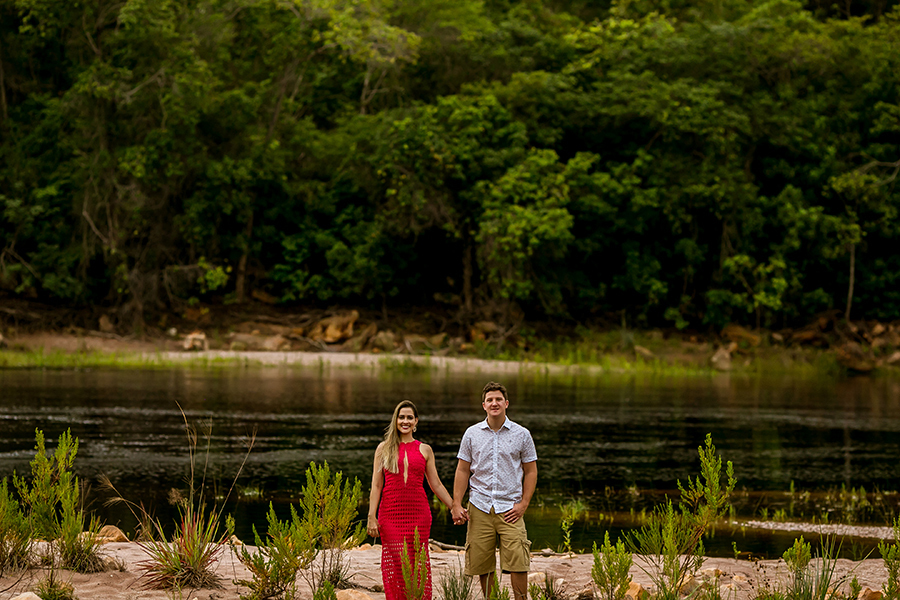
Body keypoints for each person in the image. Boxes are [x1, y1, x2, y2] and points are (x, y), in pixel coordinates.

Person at [451, 381, 538, 600]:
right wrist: (456, 503)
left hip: (511, 508)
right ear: (483, 405)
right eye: (490, 400)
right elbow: (462, 470)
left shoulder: (522, 434)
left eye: (498, 399)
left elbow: (531, 471)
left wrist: (524, 504)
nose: (494, 403)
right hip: (479, 506)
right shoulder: (471, 434)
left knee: (518, 560)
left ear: (506, 403)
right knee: (483, 562)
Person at [368, 401, 459, 600]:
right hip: (390, 516)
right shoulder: (383, 449)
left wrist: (454, 506)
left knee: (417, 564)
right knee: (396, 564)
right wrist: (371, 517)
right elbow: (376, 486)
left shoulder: (425, 449)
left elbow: (436, 485)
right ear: (396, 420)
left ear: (416, 421)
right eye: (401, 417)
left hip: (419, 515)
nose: (405, 421)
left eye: (409, 417)